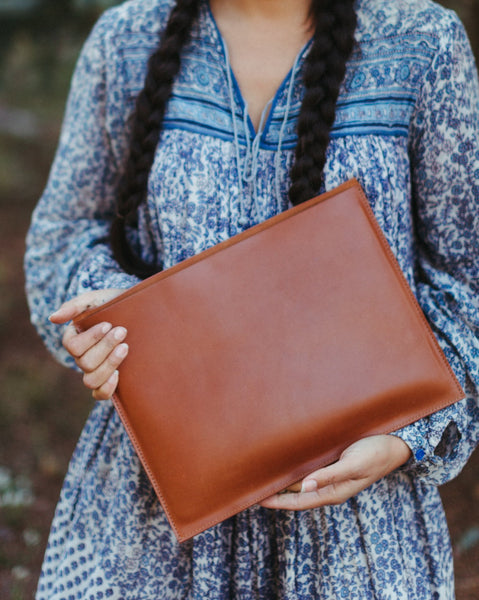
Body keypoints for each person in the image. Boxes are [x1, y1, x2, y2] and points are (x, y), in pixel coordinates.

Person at [24, 0, 479, 597]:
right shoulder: (126, 41)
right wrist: (111, 321)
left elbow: (467, 275)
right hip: (149, 516)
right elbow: (62, 237)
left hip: (359, 534)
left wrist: (408, 437)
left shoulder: (421, 41)